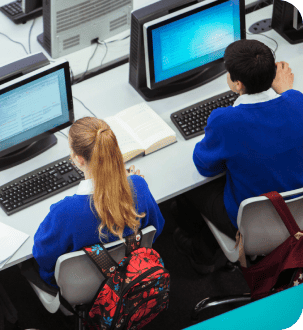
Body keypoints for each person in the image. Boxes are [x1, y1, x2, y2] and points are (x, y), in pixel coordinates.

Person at [174, 39, 303, 274]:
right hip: (298, 217)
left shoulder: (225, 120)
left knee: (188, 188)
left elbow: (205, 166)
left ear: (237, 84)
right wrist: (286, 93)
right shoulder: (297, 101)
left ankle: (201, 253)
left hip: (254, 227)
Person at [29, 117, 165, 290]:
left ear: (79, 159)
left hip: (80, 289)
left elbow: (43, 257)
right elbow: (156, 229)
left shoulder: (65, 212)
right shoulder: (139, 186)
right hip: (134, 274)